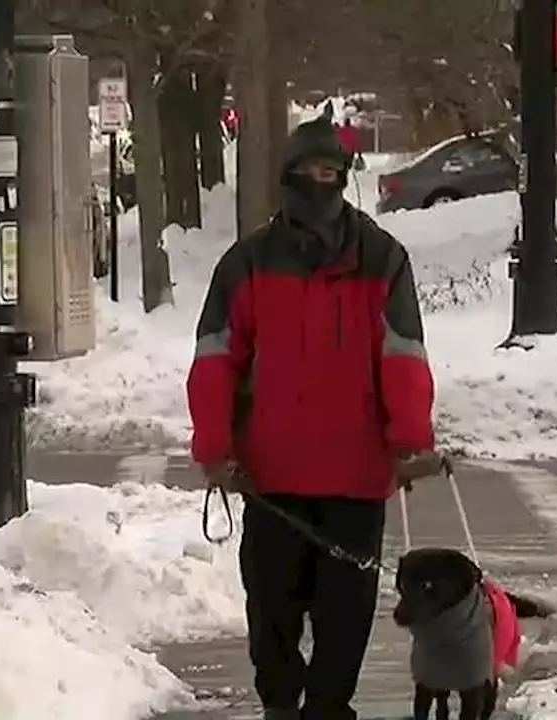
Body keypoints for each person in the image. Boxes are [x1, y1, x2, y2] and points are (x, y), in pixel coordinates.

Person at [186, 115, 444, 720]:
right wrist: (214, 445)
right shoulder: (246, 263)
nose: (320, 184)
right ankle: (281, 705)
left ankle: (327, 710)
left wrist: (409, 442)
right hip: (271, 477)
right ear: (287, 179)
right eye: (308, 173)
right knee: (270, 612)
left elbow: (402, 355)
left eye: (332, 173)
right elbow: (217, 358)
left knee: (344, 617)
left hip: (356, 476)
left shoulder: (382, 258)